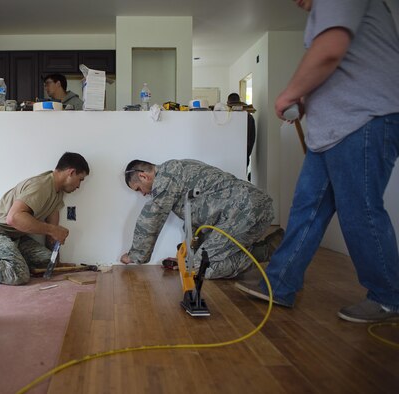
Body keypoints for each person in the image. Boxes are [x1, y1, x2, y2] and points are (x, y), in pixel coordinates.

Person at [236, 0, 399, 323]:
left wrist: (289, 93)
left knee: (360, 210)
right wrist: (308, 97)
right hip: (332, 131)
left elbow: (330, 48)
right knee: (305, 210)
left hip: (362, 120)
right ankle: (280, 283)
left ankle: (388, 297)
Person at [120, 159, 283, 279]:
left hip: (245, 211)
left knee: (200, 267)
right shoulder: (177, 172)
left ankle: (268, 250)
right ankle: (271, 247)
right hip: (250, 210)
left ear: (143, 176)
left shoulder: (166, 176)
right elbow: (196, 221)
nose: (143, 194)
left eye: (138, 189)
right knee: (195, 262)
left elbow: (152, 217)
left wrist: (134, 255)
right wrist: (187, 255)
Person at [0, 152, 89, 285]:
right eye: (80, 180)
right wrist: (53, 230)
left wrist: (54, 251)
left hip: (14, 235)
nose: (79, 186)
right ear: (71, 172)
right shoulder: (42, 186)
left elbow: (52, 231)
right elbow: (14, 218)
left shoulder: (57, 193)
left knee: (46, 262)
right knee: (18, 273)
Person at [227, 93, 256, 182]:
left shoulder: (225, 116)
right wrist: (247, 153)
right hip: (244, 153)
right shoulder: (249, 117)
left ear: (228, 103)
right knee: (241, 179)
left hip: (228, 154)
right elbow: (252, 138)